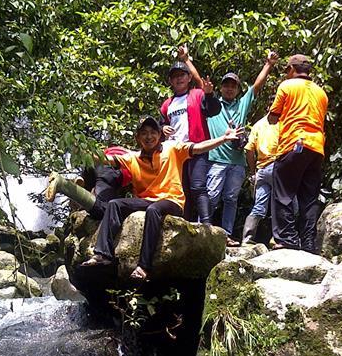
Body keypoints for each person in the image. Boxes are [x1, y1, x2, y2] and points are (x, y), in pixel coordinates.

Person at [82, 116, 244, 282]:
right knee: (114, 204)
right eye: (144, 133)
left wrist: (223, 139)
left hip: (172, 200)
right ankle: (103, 255)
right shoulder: (133, 157)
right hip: (145, 200)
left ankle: (143, 267)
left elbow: (199, 148)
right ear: (138, 137)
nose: (149, 136)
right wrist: (82, 150)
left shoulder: (172, 148)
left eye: (153, 132)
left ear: (160, 135)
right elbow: (104, 159)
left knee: (154, 210)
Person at [205, 52, 279, 245]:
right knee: (211, 197)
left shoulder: (242, 105)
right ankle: (202, 230)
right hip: (216, 159)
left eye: (233, 86)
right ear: (221, 88)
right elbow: (198, 83)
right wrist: (187, 60)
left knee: (231, 199)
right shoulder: (213, 105)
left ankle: (227, 234)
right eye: (226, 85)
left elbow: (257, 86)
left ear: (238, 89)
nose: (229, 89)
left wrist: (269, 64)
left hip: (237, 162)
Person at [268, 54, 328, 253]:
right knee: (309, 198)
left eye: (287, 70)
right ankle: (309, 243)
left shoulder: (287, 86)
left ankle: (287, 240)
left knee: (283, 193)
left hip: (294, 143)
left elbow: (273, 116)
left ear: (292, 69)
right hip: (316, 148)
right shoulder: (321, 93)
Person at [159, 44, 220, 224]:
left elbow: (213, 110)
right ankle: (184, 223)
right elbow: (160, 126)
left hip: (197, 147)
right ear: (170, 81)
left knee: (198, 186)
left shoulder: (197, 95)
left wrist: (209, 95)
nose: (179, 79)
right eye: (175, 76)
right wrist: (162, 128)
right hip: (177, 152)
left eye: (182, 75)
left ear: (188, 78)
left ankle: (207, 224)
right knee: (181, 188)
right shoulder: (166, 104)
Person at [44, 147, 132, 218]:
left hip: (94, 163)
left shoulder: (114, 149)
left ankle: (81, 179)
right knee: (104, 210)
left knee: (89, 186)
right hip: (112, 169)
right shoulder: (136, 160)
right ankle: (62, 184)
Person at [242, 113, 279, 244]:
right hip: (277, 166)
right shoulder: (283, 122)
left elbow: (249, 150)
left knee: (259, 206)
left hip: (262, 170)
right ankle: (277, 238)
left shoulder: (258, 125)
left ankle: (247, 239)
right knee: (285, 204)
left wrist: (253, 172)